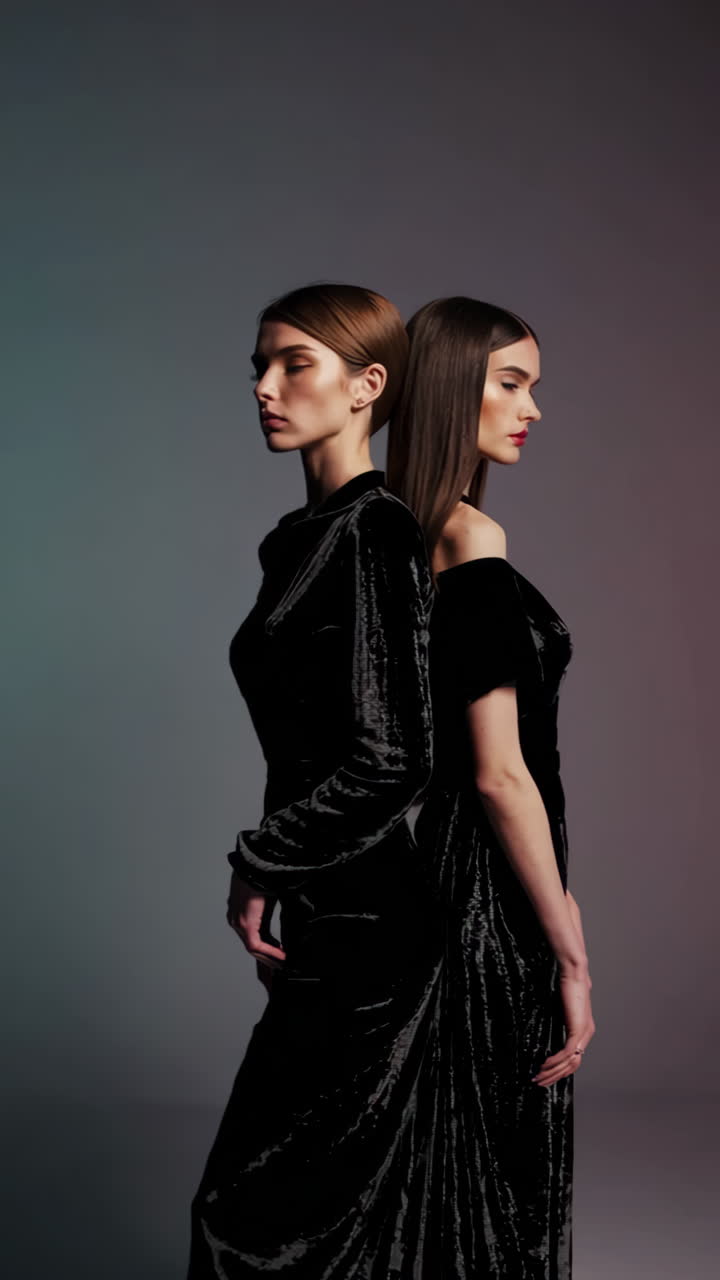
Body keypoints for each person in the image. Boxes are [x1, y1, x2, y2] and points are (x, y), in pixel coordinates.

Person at [187, 283, 443, 1278]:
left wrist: (259, 861)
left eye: (295, 362)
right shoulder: (298, 540)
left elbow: (393, 755)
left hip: (377, 928)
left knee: (255, 1213)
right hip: (327, 913)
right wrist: (280, 881)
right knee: (299, 1215)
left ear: (367, 384)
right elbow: (303, 747)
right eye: (259, 364)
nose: (264, 386)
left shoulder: (374, 532)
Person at [386, 296, 595, 1279]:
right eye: (512, 383)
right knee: (497, 1172)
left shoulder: (389, 535)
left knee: (447, 1154)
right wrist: (569, 942)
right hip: (486, 893)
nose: (532, 409)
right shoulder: (472, 539)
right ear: (449, 385)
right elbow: (500, 769)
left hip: (444, 877)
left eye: (533, 387)